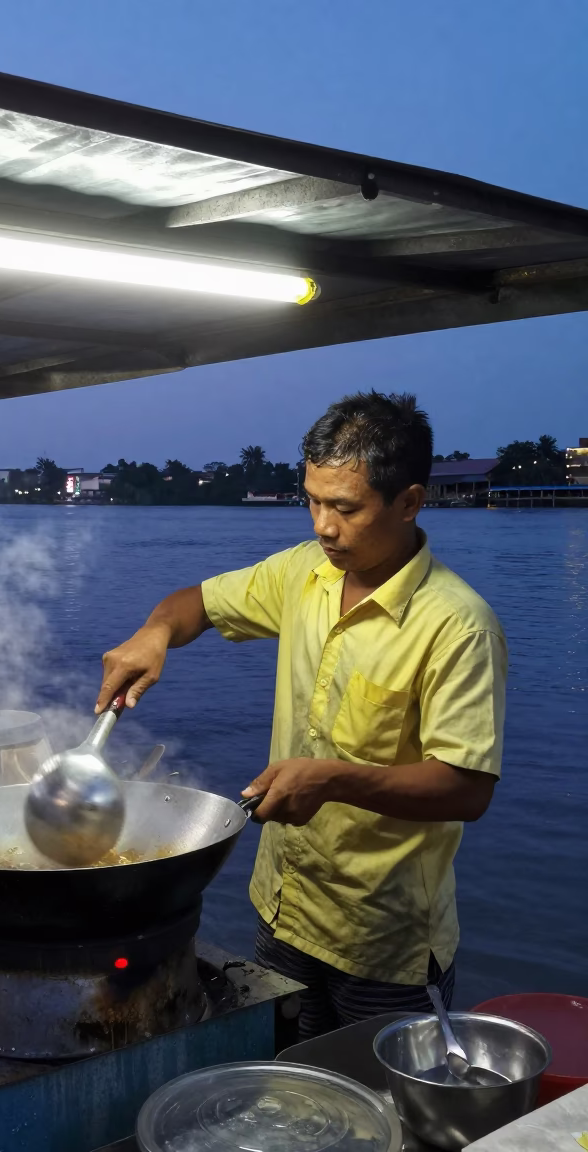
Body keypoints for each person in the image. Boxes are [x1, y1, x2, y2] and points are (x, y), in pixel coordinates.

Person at [97, 391, 506, 1039]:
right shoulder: (304, 573)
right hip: (283, 908)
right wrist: (156, 633)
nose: (323, 527)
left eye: (345, 507)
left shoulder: (458, 624)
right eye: (312, 501)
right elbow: (195, 604)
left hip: (383, 941)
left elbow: (467, 788)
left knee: (379, 1095)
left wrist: (332, 779)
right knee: (287, 1081)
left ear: (409, 502)